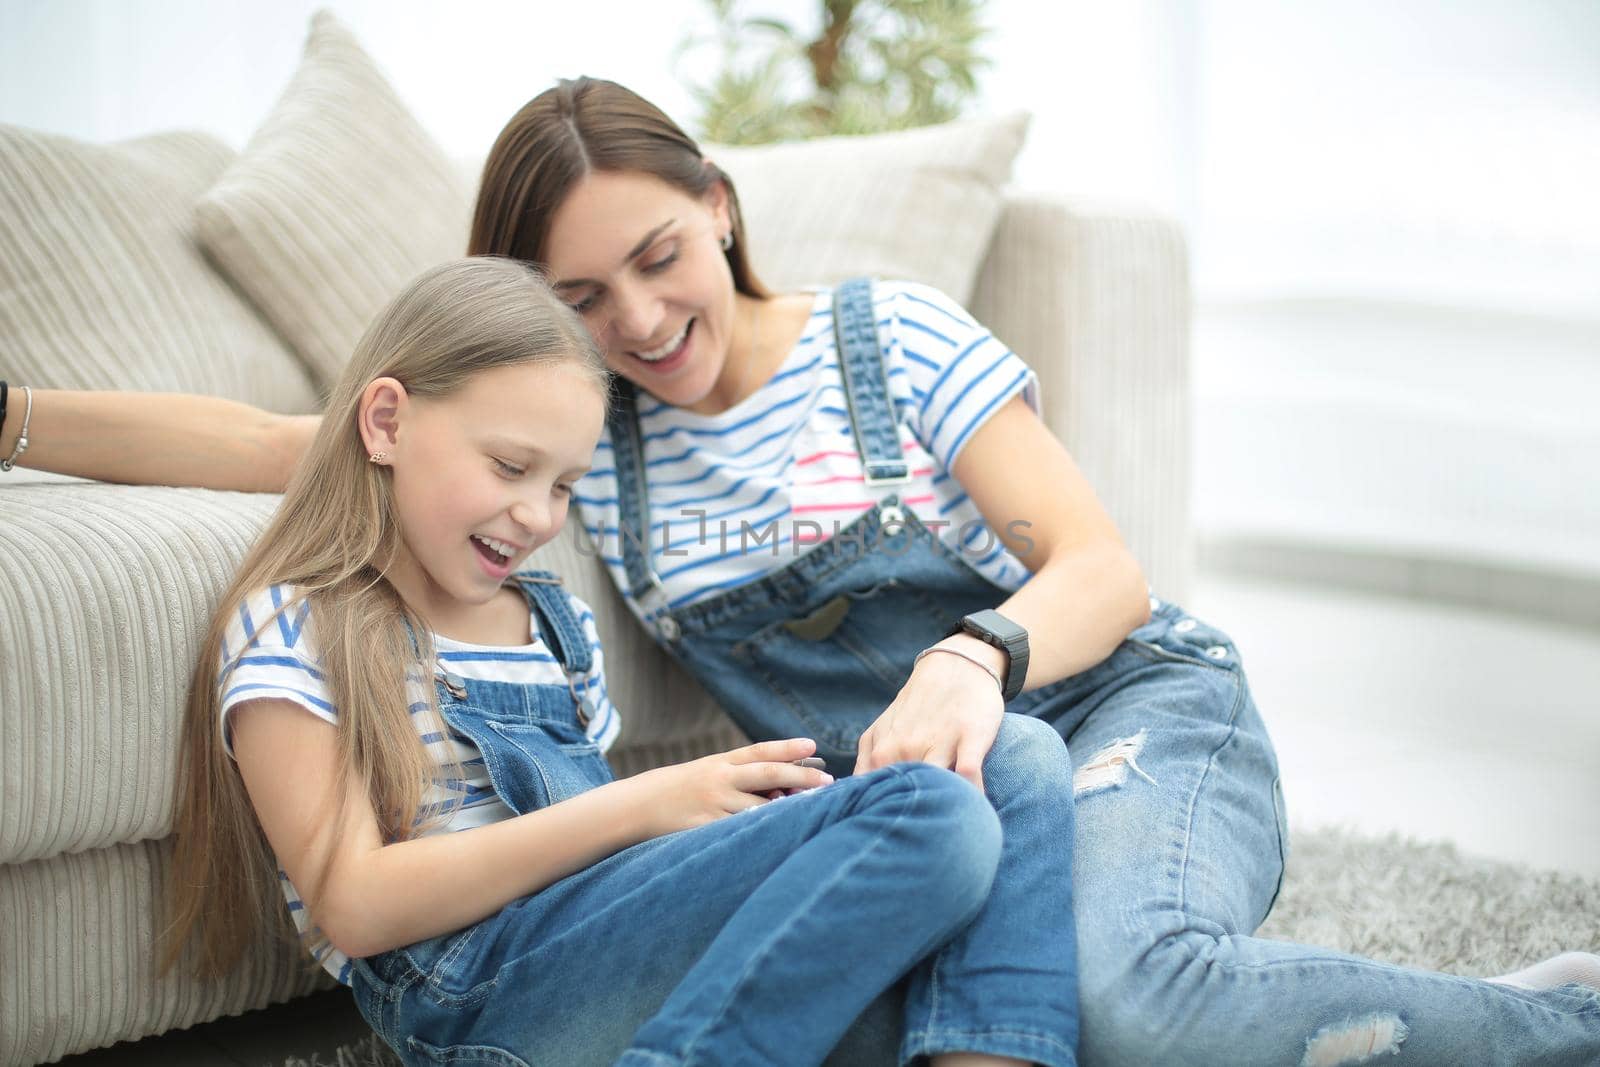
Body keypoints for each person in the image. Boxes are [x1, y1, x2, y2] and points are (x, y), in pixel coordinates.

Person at [5, 77, 1598, 1064]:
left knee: (1131, 1001)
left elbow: (1101, 563)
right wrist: (14, 410)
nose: (634, 317)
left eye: (658, 255)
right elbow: (277, 437)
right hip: (950, 779)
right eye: (582, 296)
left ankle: (1554, 1020)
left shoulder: (883, 339)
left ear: (719, 207)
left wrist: (968, 656)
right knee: (1003, 947)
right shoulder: (583, 455)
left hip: (1128, 707)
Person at [155, 256, 1083, 1067]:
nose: (537, 516)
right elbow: (353, 904)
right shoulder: (298, 620)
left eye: (562, 484)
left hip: (626, 965)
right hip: (485, 998)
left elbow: (634, 899)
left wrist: (721, 827)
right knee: (929, 808)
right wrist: (646, 802)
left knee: (1017, 755)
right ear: (387, 421)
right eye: (510, 466)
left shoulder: (552, 624)